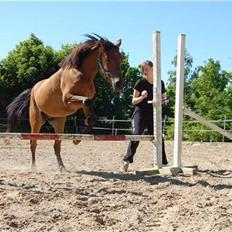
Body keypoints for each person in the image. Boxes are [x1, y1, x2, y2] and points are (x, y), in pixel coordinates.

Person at [122, 60, 168, 172]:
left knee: (159, 137)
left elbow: (164, 99)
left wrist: (164, 101)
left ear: (153, 69)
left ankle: (163, 162)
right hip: (140, 112)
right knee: (136, 134)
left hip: (153, 113)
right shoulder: (140, 83)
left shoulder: (160, 83)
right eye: (143, 70)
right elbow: (133, 101)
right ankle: (126, 160)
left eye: (146, 69)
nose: (144, 71)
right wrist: (142, 98)